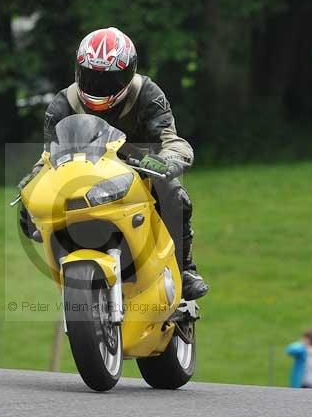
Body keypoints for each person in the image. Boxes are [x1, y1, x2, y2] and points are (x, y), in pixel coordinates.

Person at [17, 27, 208, 301]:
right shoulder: (62, 104)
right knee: (42, 209)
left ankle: (185, 268)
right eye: (91, 77)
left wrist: (167, 161)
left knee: (176, 196)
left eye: (108, 81)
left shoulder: (147, 94)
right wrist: (32, 186)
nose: (97, 87)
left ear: (129, 74)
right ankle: (71, 279)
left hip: (139, 173)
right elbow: (48, 158)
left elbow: (172, 140)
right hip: (82, 179)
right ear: (78, 70)